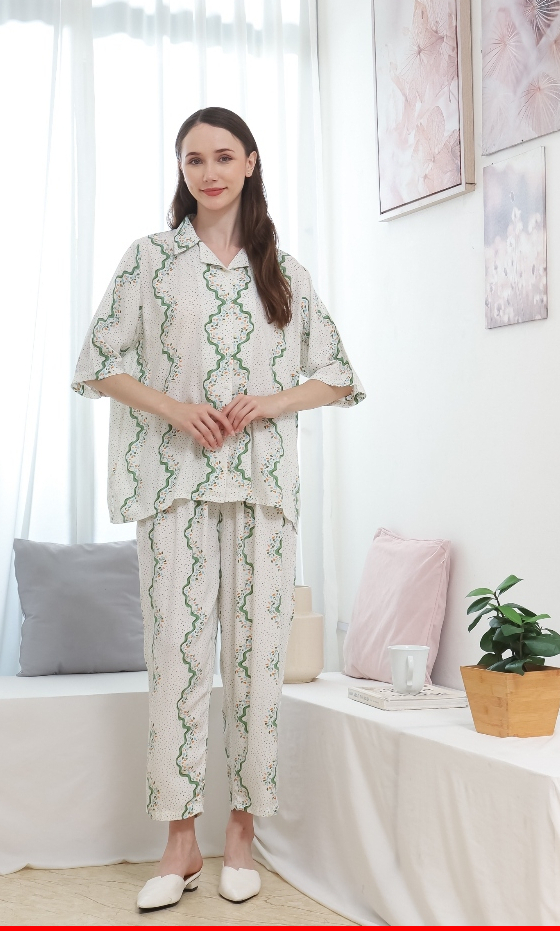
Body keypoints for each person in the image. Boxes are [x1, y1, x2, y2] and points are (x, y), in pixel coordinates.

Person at [72, 106, 364, 911]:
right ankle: (179, 846)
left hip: (263, 489)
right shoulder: (151, 261)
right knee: (176, 660)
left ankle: (241, 838)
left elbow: (337, 375)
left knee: (257, 663)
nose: (209, 172)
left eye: (224, 156)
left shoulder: (283, 270)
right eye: (194, 159)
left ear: (251, 163)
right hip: (175, 485)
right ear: (182, 170)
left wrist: (269, 402)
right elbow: (97, 362)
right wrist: (174, 408)